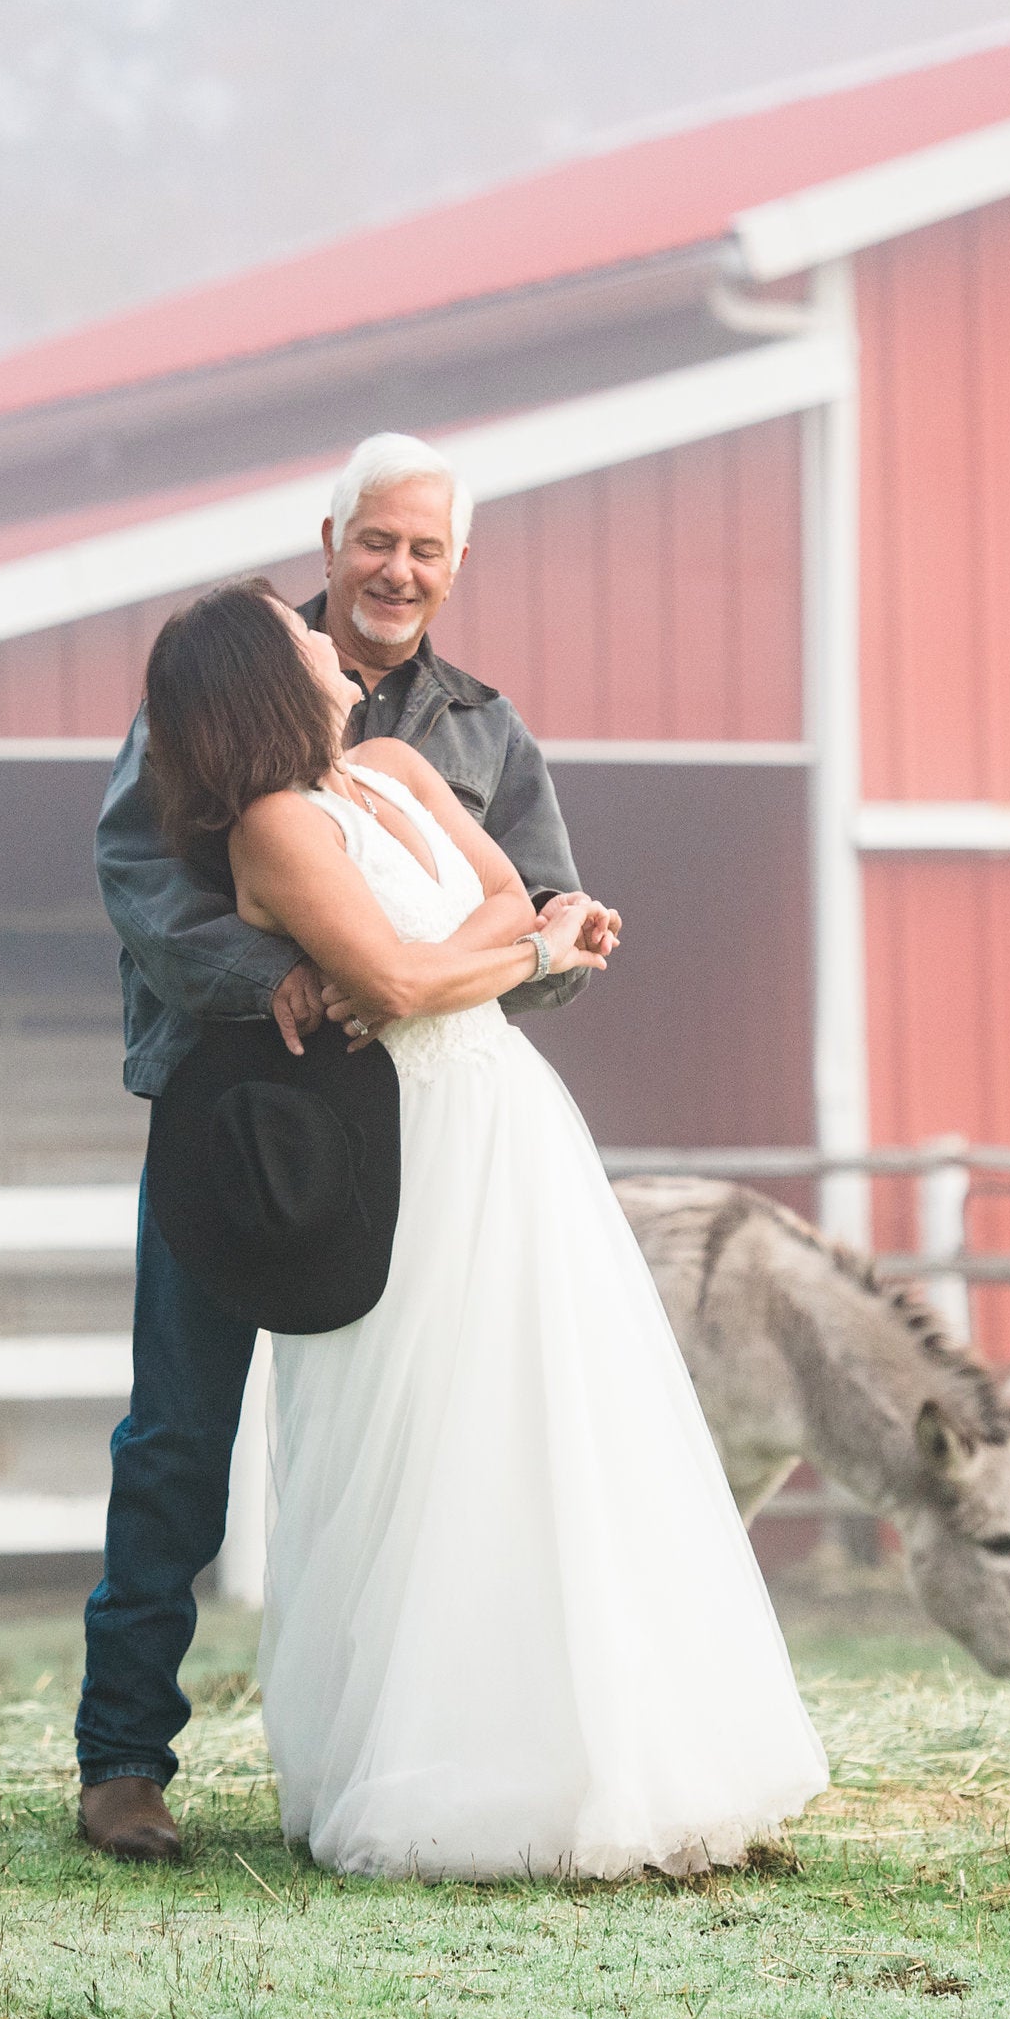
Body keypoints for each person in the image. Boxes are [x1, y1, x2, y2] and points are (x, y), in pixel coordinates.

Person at [139, 578, 826, 1878]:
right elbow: (405, 978)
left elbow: (501, 906)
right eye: (299, 635)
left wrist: (502, 943)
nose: (329, 637)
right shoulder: (273, 829)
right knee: (431, 1439)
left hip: (508, 1121)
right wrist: (524, 949)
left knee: (566, 1422)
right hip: (401, 1142)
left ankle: (617, 1749)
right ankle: (445, 1764)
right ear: (258, 682)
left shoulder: (398, 767)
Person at [78, 432, 602, 1860]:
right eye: (379, 540)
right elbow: (136, 871)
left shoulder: (481, 729)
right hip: (232, 1110)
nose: (399, 570)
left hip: (407, 1128)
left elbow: (534, 908)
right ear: (331, 538)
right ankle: (123, 1760)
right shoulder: (230, 672)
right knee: (182, 1429)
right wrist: (279, 982)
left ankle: (426, 1749)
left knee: (427, 1441)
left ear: (457, 565)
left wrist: (565, 942)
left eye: (428, 549)